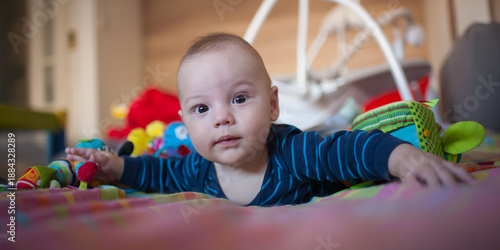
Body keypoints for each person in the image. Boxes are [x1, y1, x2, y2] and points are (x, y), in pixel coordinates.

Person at [66, 33, 476, 206]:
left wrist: (405, 159)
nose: (222, 118)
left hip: (326, 138)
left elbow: (352, 147)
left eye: (240, 99)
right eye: (202, 109)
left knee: (338, 127)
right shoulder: (197, 168)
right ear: (184, 124)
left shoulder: (295, 153)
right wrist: (115, 167)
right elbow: (158, 173)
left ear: (273, 106)